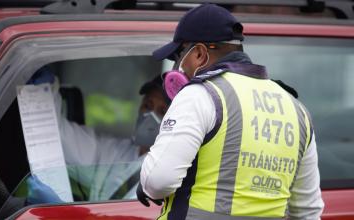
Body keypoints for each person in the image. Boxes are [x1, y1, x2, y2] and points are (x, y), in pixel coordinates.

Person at [138, 4, 324, 220]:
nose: (177, 67)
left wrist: (147, 184)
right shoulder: (296, 109)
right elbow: (308, 211)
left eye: (178, 57)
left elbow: (157, 181)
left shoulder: (199, 95)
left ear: (199, 54)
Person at [26, 68, 170, 202]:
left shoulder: (167, 177)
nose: (150, 115)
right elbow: (60, 136)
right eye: (147, 105)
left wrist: (61, 214)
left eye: (162, 111)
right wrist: (44, 94)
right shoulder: (117, 151)